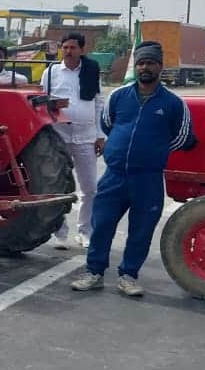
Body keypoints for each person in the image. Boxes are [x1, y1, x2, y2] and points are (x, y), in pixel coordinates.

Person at [71, 41, 196, 297]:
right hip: (114, 175)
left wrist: (154, 150)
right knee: (102, 223)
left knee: (141, 230)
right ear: (136, 67)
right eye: (141, 63)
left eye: (150, 63)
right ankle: (94, 272)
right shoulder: (119, 96)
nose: (145, 68)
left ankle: (128, 276)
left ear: (160, 66)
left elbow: (183, 137)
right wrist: (121, 146)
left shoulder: (173, 103)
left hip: (147, 179)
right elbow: (107, 124)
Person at [39, 32, 104, 249]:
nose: (68, 51)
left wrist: (100, 135)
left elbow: (98, 103)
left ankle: (85, 231)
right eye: (65, 47)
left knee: (90, 188)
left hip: (85, 137)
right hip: (59, 137)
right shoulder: (51, 72)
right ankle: (59, 232)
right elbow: (41, 102)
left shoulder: (91, 71)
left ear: (81, 50)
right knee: (58, 187)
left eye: (73, 48)